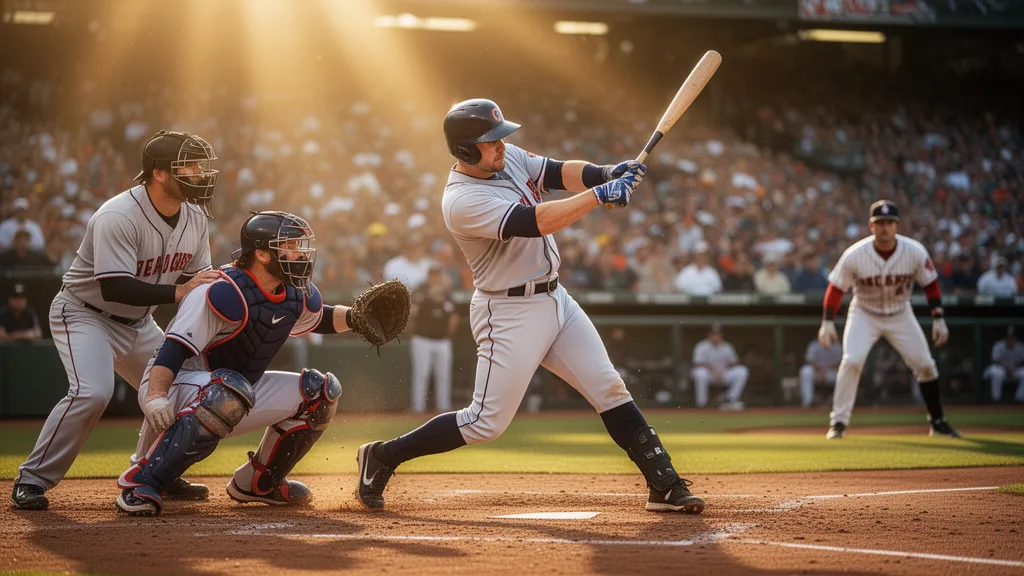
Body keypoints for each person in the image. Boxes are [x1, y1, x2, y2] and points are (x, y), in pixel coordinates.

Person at [355, 98, 704, 515]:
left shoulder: (504, 158)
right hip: (508, 312)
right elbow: (532, 220)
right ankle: (382, 456)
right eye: (490, 141)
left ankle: (663, 485)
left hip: (556, 299)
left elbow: (557, 171)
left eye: (501, 138)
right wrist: (598, 195)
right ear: (466, 150)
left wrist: (606, 172)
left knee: (608, 386)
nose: (502, 146)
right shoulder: (461, 201)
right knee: (485, 422)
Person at [12, 131, 221, 511]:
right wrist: (177, 293)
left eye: (199, 166)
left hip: (141, 323)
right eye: (187, 166)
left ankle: (153, 472)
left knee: (178, 383)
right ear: (159, 174)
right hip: (85, 314)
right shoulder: (118, 215)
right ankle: (32, 478)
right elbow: (114, 288)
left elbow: (200, 281)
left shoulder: (195, 217)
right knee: (92, 392)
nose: (199, 174)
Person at [115, 211, 363, 517]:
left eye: (300, 245)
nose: (299, 253)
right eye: (290, 245)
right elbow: (173, 349)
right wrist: (155, 396)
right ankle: (143, 481)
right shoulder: (221, 290)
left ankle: (258, 482)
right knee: (228, 391)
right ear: (261, 254)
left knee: (320, 392)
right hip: (177, 384)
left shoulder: (293, 293)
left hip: (233, 390)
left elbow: (319, 318)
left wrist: (357, 317)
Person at [818, 200, 959, 440]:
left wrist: (938, 318)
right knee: (852, 361)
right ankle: (839, 423)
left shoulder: (914, 250)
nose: (885, 227)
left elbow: (930, 284)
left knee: (925, 364)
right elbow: (836, 288)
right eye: (880, 223)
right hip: (864, 312)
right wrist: (827, 321)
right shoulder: (855, 254)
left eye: (890, 223)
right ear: (871, 226)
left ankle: (938, 421)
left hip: (900, 313)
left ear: (897, 226)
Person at [409, 266, 459, 413]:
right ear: (428, 275)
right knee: (421, 374)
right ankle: (417, 409)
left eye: (437, 274)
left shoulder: (446, 292)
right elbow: (412, 311)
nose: (435, 277)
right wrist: (428, 297)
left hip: (442, 340)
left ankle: (444, 408)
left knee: (444, 375)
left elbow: (453, 316)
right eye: (433, 274)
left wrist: (449, 333)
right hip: (422, 339)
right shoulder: (421, 289)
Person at [690, 323, 748, 410]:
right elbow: (697, 363)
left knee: (742, 371)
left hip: (723, 373)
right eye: (713, 335)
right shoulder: (701, 346)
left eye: (718, 335)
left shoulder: (727, 346)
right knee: (700, 373)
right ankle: (702, 403)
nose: (716, 337)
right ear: (709, 335)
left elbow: (734, 362)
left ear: (721, 335)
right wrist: (714, 371)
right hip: (709, 375)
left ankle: (730, 399)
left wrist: (725, 369)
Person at [798, 337, 842, 408]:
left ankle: (838, 402)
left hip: (831, 372)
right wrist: (821, 370)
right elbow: (810, 361)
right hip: (817, 371)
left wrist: (826, 370)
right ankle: (808, 402)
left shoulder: (838, 346)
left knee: (842, 375)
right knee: (806, 371)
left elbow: (840, 363)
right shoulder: (814, 345)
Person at [984, 327, 1024, 403]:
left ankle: (1020, 399)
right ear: (1005, 338)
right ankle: (996, 399)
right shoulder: (998, 345)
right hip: (1001, 369)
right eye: (1008, 337)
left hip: (1015, 370)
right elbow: (996, 360)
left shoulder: (1020, 347)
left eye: (1012, 337)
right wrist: (1007, 368)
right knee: (996, 373)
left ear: (1015, 338)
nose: (1010, 340)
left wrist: (1014, 369)